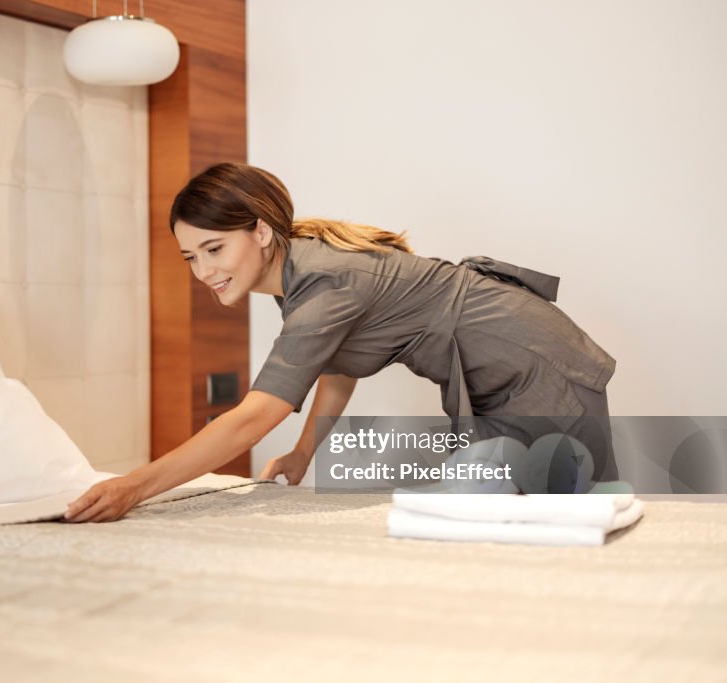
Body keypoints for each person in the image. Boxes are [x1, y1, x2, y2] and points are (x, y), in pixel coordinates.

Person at [64, 162, 618, 522]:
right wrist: (306, 450)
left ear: (260, 232)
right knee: (491, 515)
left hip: (535, 362)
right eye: (191, 257)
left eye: (214, 249)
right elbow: (338, 366)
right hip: (506, 367)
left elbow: (254, 416)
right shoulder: (298, 274)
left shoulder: (324, 281)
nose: (204, 271)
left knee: (564, 520)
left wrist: (134, 487)